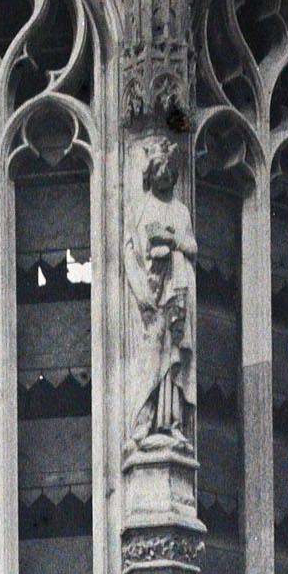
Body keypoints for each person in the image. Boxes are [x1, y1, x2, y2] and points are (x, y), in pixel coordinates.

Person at [125, 140, 198, 449]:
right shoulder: (139, 209)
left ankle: (171, 423)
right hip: (148, 293)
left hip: (177, 289)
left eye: (169, 173)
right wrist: (142, 291)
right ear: (149, 175)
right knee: (149, 358)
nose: (164, 177)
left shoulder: (180, 211)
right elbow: (129, 252)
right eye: (158, 171)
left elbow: (192, 246)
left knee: (173, 355)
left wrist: (173, 242)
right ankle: (143, 422)